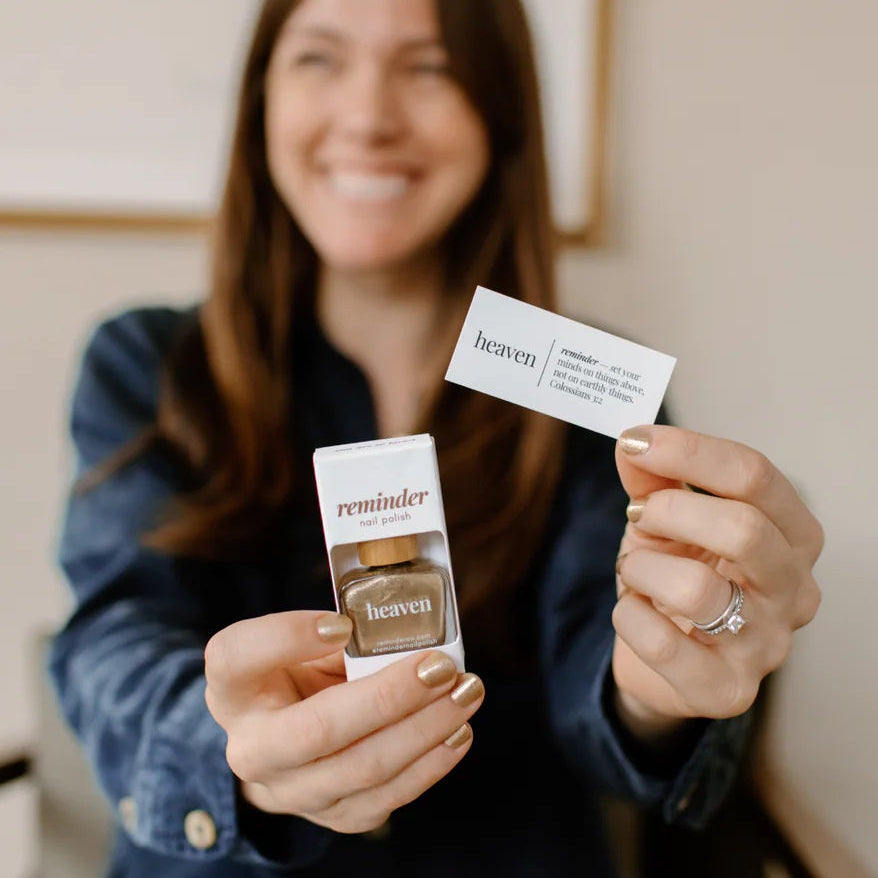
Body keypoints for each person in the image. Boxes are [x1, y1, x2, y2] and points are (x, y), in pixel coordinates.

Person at [49, 1, 823, 876]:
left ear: (499, 113)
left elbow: (598, 677)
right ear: (261, 100)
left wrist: (661, 681)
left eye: (429, 67)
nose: (371, 116)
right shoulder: (150, 365)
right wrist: (230, 745)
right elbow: (113, 635)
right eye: (319, 59)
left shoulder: (591, 392)